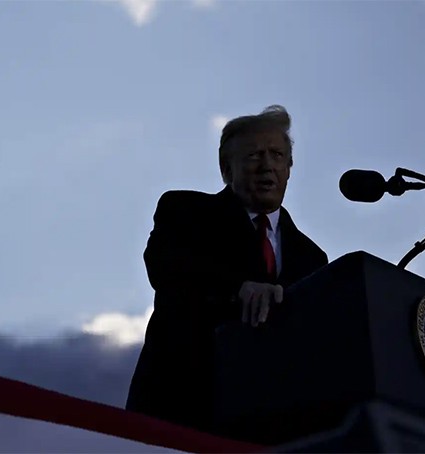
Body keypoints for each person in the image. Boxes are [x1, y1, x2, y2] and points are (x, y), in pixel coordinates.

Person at [124, 105, 329, 434]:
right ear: (226, 169)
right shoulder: (185, 211)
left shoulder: (313, 258)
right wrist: (239, 288)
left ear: (289, 167)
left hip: (270, 427)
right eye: (252, 156)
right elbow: (166, 267)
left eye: (277, 155)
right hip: (178, 410)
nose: (266, 166)